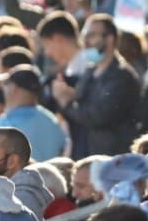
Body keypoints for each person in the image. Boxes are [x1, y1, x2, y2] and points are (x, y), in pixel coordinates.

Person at [53, 14, 140, 157]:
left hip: (113, 158)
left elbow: (97, 115)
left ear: (110, 39)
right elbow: (81, 101)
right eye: (84, 35)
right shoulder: (90, 71)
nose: (86, 42)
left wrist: (67, 102)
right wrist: (69, 94)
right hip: (89, 154)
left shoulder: (122, 76)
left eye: (92, 35)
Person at [0, 66, 67, 163]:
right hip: (49, 176)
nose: (2, 87)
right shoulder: (52, 120)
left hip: (19, 177)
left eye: (6, 84)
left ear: (14, 89)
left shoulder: (4, 124)